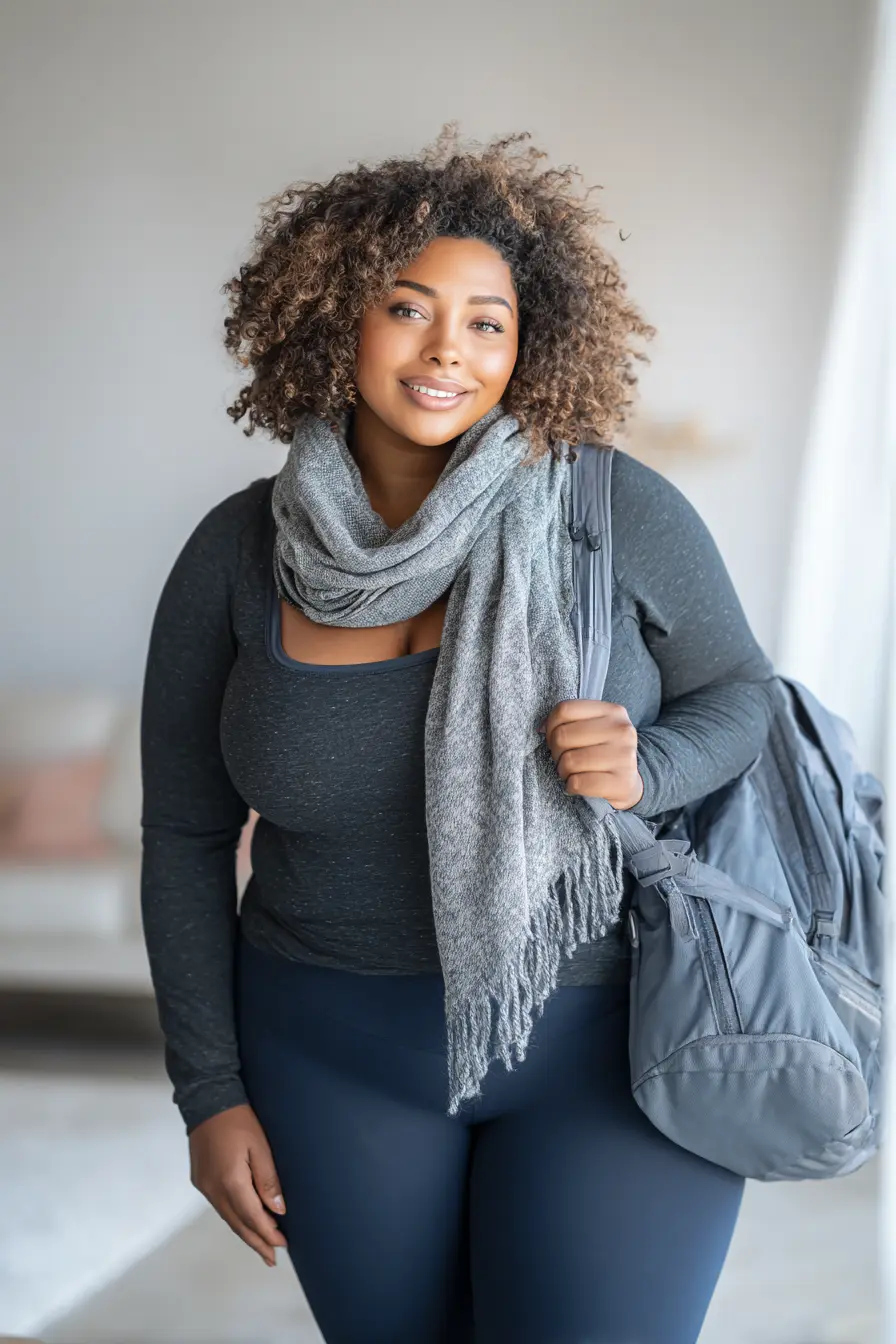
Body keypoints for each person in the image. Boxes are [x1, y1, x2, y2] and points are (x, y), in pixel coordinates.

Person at [140, 127, 777, 1344]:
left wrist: (650, 765)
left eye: (487, 322)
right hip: (327, 1053)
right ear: (330, 318)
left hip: (613, 1043)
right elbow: (183, 834)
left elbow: (741, 694)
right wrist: (207, 1091)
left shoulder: (609, 511)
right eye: (407, 308)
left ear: (529, 343)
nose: (448, 352)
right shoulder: (237, 552)